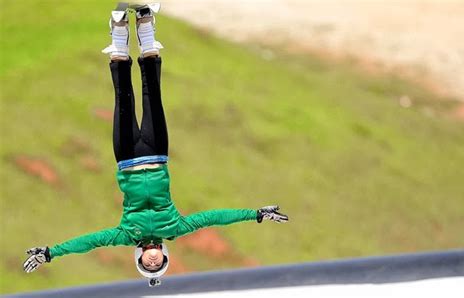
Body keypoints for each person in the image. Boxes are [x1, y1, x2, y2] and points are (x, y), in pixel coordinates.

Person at [23, 4, 288, 286]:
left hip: (127, 158)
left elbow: (90, 242)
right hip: (156, 152)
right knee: (153, 95)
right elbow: (214, 217)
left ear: (138, 256)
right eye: (157, 265)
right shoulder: (175, 228)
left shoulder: (126, 233)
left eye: (147, 266)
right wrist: (256, 215)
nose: (152, 263)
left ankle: (119, 33)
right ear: (163, 254)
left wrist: (51, 253)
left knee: (123, 98)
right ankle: (146, 27)